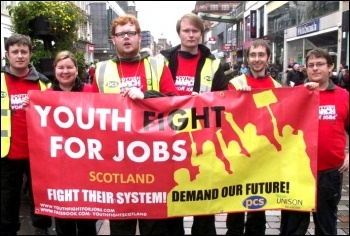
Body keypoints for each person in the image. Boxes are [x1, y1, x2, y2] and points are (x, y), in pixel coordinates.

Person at [91, 14, 179, 235]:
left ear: (140, 37)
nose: (126, 38)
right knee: (121, 222)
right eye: (121, 34)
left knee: (153, 224)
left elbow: (173, 101)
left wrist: (146, 95)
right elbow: (88, 110)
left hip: (152, 157)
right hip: (117, 159)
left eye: (131, 33)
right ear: (113, 39)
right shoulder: (100, 70)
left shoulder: (158, 65)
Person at [160, 12, 227, 235]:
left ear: (202, 33)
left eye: (195, 31)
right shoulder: (162, 60)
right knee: (174, 197)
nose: (190, 35)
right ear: (179, 33)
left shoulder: (214, 62)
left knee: (204, 201)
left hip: (203, 139)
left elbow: (224, 98)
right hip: (171, 139)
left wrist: (206, 100)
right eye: (186, 30)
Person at [23, 50, 97, 235]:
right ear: (55, 69)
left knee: (87, 219)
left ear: (76, 69)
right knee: (64, 218)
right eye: (61, 67)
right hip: (59, 167)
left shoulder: (90, 92)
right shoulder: (45, 96)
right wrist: (29, 107)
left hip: (85, 165)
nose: (65, 71)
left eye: (69, 67)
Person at [280, 48, 349, 235]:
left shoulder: (343, 96)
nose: (315, 69)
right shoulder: (295, 95)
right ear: (306, 69)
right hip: (298, 172)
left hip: (329, 172)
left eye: (320, 64)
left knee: (326, 226)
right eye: (311, 65)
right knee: (292, 228)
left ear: (330, 67)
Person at [227, 39, 282, 235]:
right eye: (253, 55)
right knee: (235, 206)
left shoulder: (277, 86)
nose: (257, 59)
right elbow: (228, 116)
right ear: (248, 58)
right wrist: (240, 98)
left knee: (258, 206)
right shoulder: (235, 83)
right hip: (240, 154)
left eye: (261, 55)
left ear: (268, 57)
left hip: (262, 155)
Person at [1, 33, 52, 235]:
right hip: (7, 154)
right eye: (15, 52)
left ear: (31, 54)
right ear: (7, 54)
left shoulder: (43, 83)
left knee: (40, 195)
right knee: (7, 201)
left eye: (24, 51)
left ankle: (42, 229)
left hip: (37, 154)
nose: (20, 56)